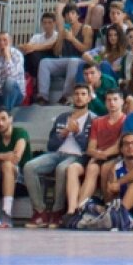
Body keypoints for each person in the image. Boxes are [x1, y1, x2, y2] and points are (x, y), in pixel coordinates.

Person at [24, 84, 93, 228]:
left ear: (88, 98)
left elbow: (88, 148)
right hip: (57, 153)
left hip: (78, 156)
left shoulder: (93, 120)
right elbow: (51, 145)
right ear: (73, 97)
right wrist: (64, 134)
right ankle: (40, 211)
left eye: (83, 94)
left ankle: (57, 211)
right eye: (77, 94)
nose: (79, 97)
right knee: (29, 167)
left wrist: (77, 133)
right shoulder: (62, 117)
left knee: (62, 168)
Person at [65, 88, 126, 223]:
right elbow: (91, 147)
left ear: (122, 101)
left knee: (105, 168)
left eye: (115, 99)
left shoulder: (125, 120)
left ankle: (107, 206)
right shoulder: (98, 121)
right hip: (97, 156)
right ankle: (76, 209)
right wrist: (97, 155)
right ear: (105, 103)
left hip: (115, 156)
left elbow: (118, 146)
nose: (112, 103)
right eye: (109, 100)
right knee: (90, 169)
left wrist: (101, 155)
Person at [36, 9, 89, 105]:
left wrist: (72, 39)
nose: (70, 16)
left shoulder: (86, 28)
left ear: (78, 16)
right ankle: (42, 96)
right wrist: (61, 37)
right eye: (67, 14)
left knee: (73, 61)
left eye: (72, 13)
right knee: (44, 62)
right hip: (65, 60)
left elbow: (87, 49)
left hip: (81, 60)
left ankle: (67, 96)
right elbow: (56, 53)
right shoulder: (63, 30)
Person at [20, 12, 59, 81]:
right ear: (41, 24)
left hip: (52, 59)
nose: (47, 25)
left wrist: (34, 47)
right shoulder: (37, 36)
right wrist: (27, 47)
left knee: (33, 54)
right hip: (37, 60)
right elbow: (25, 47)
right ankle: (29, 77)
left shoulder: (57, 36)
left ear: (55, 23)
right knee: (27, 55)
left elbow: (50, 46)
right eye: (45, 23)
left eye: (50, 23)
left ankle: (34, 78)